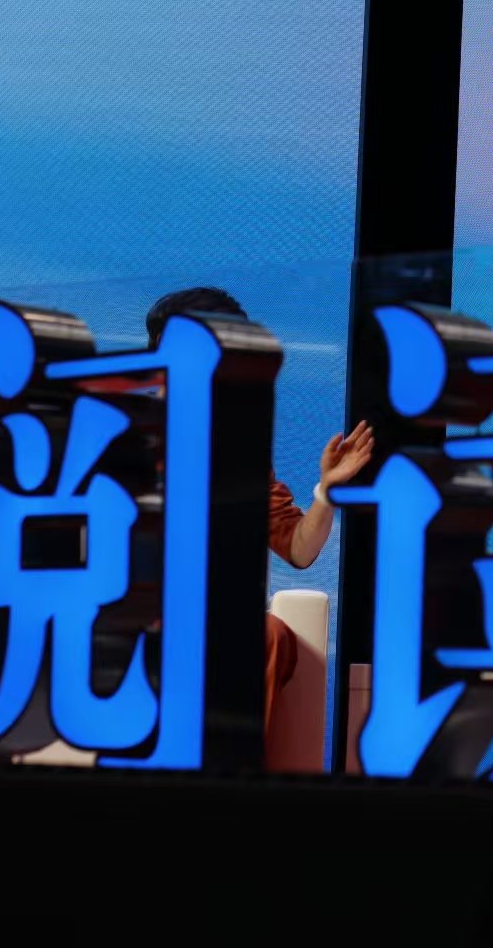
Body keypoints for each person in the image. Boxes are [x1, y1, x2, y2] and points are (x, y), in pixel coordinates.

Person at [145, 287, 374, 748]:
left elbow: (298, 549)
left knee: (264, 635)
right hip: (128, 608)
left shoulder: (239, 454)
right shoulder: (117, 434)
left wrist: (328, 491)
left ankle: (225, 770)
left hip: (210, 621)